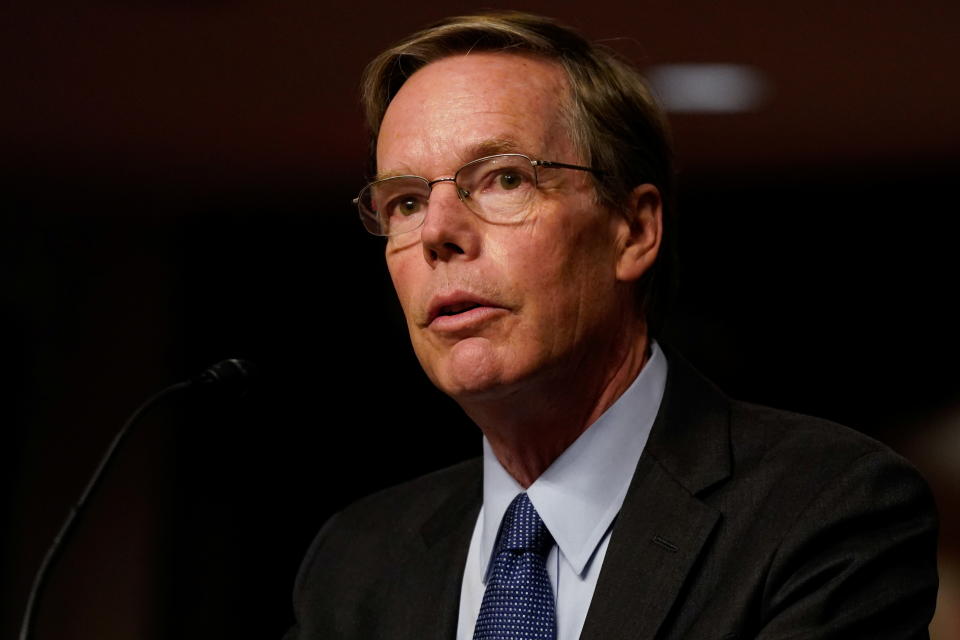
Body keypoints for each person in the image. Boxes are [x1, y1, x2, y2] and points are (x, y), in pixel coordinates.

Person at [285, 12, 938, 640]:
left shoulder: (823, 507)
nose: (437, 233)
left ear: (634, 230)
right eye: (404, 202)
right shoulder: (358, 559)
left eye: (503, 179)